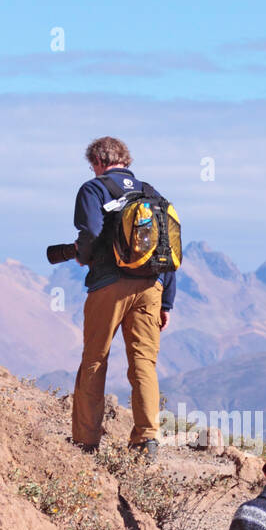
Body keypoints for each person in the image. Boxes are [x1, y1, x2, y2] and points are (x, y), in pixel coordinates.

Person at [70, 137, 176, 459]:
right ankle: (147, 441)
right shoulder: (152, 193)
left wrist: (84, 257)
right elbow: (167, 249)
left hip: (109, 284)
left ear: (99, 160)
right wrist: (166, 301)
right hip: (151, 287)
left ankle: (85, 442)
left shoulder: (94, 189)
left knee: (95, 359)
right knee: (144, 363)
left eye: (92, 165)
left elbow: (89, 233)